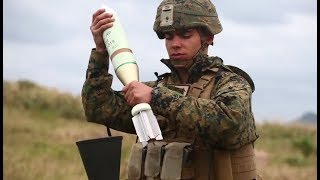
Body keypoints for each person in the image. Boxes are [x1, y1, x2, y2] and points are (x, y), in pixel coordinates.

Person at [82, 0, 260, 179]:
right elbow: (98, 108)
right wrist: (101, 52)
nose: (175, 44)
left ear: (208, 37)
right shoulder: (157, 88)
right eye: (169, 37)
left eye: (185, 35)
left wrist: (156, 99)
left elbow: (228, 124)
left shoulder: (231, 83)